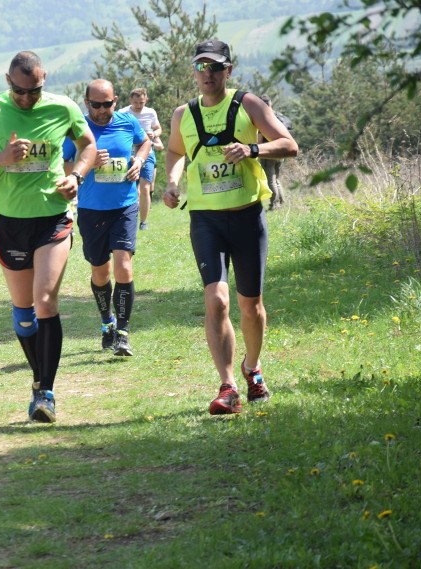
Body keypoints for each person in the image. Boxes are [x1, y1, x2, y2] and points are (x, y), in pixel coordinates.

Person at [162, 40, 298, 415]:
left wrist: (252, 150)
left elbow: (289, 144)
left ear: (228, 71)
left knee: (250, 306)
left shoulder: (248, 104)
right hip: (205, 220)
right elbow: (174, 152)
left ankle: (252, 368)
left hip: (247, 217)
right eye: (201, 67)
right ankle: (228, 386)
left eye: (215, 67)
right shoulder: (182, 115)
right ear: (194, 71)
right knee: (217, 300)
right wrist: (172, 182)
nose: (207, 74)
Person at [0, 50, 96, 423]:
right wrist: (1, 159)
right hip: (10, 221)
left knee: (45, 302)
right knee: (24, 313)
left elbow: (88, 146)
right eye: (20, 92)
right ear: (9, 83)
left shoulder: (63, 108)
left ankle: (46, 392)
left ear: (44, 80)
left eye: (34, 91)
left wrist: (77, 177)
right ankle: (39, 380)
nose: (27, 99)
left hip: (52, 218)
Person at [63, 79, 151, 357]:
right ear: (86, 103)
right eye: (96, 104)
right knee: (100, 272)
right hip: (91, 210)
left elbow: (145, 142)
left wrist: (138, 161)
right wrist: (87, 164)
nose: (103, 110)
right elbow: (66, 166)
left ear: (116, 100)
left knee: (124, 266)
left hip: (124, 205)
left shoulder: (127, 121)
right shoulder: (78, 129)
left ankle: (123, 333)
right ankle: (106, 323)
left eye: (108, 103)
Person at [119, 87, 163, 231]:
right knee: (132, 188)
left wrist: (153, 134)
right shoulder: (123, 113)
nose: (139, 105)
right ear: (130, 100)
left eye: (142, 102)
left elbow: (158, 128)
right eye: (136, 102)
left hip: (148, 153)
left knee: (145, 188)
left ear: (146, 100)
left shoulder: (151, 112)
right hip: (129, 154)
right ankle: (129, 216)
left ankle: (144, 222)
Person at [258, 95, 288, 210]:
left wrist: (256, 151)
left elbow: (259, 140)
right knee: (276, 178)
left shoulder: (263, 117)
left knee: (270, 179)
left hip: (269, 153)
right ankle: (281, 201)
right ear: (270, 104)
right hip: (281, 152)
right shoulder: (279, 116)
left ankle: (274, 204)